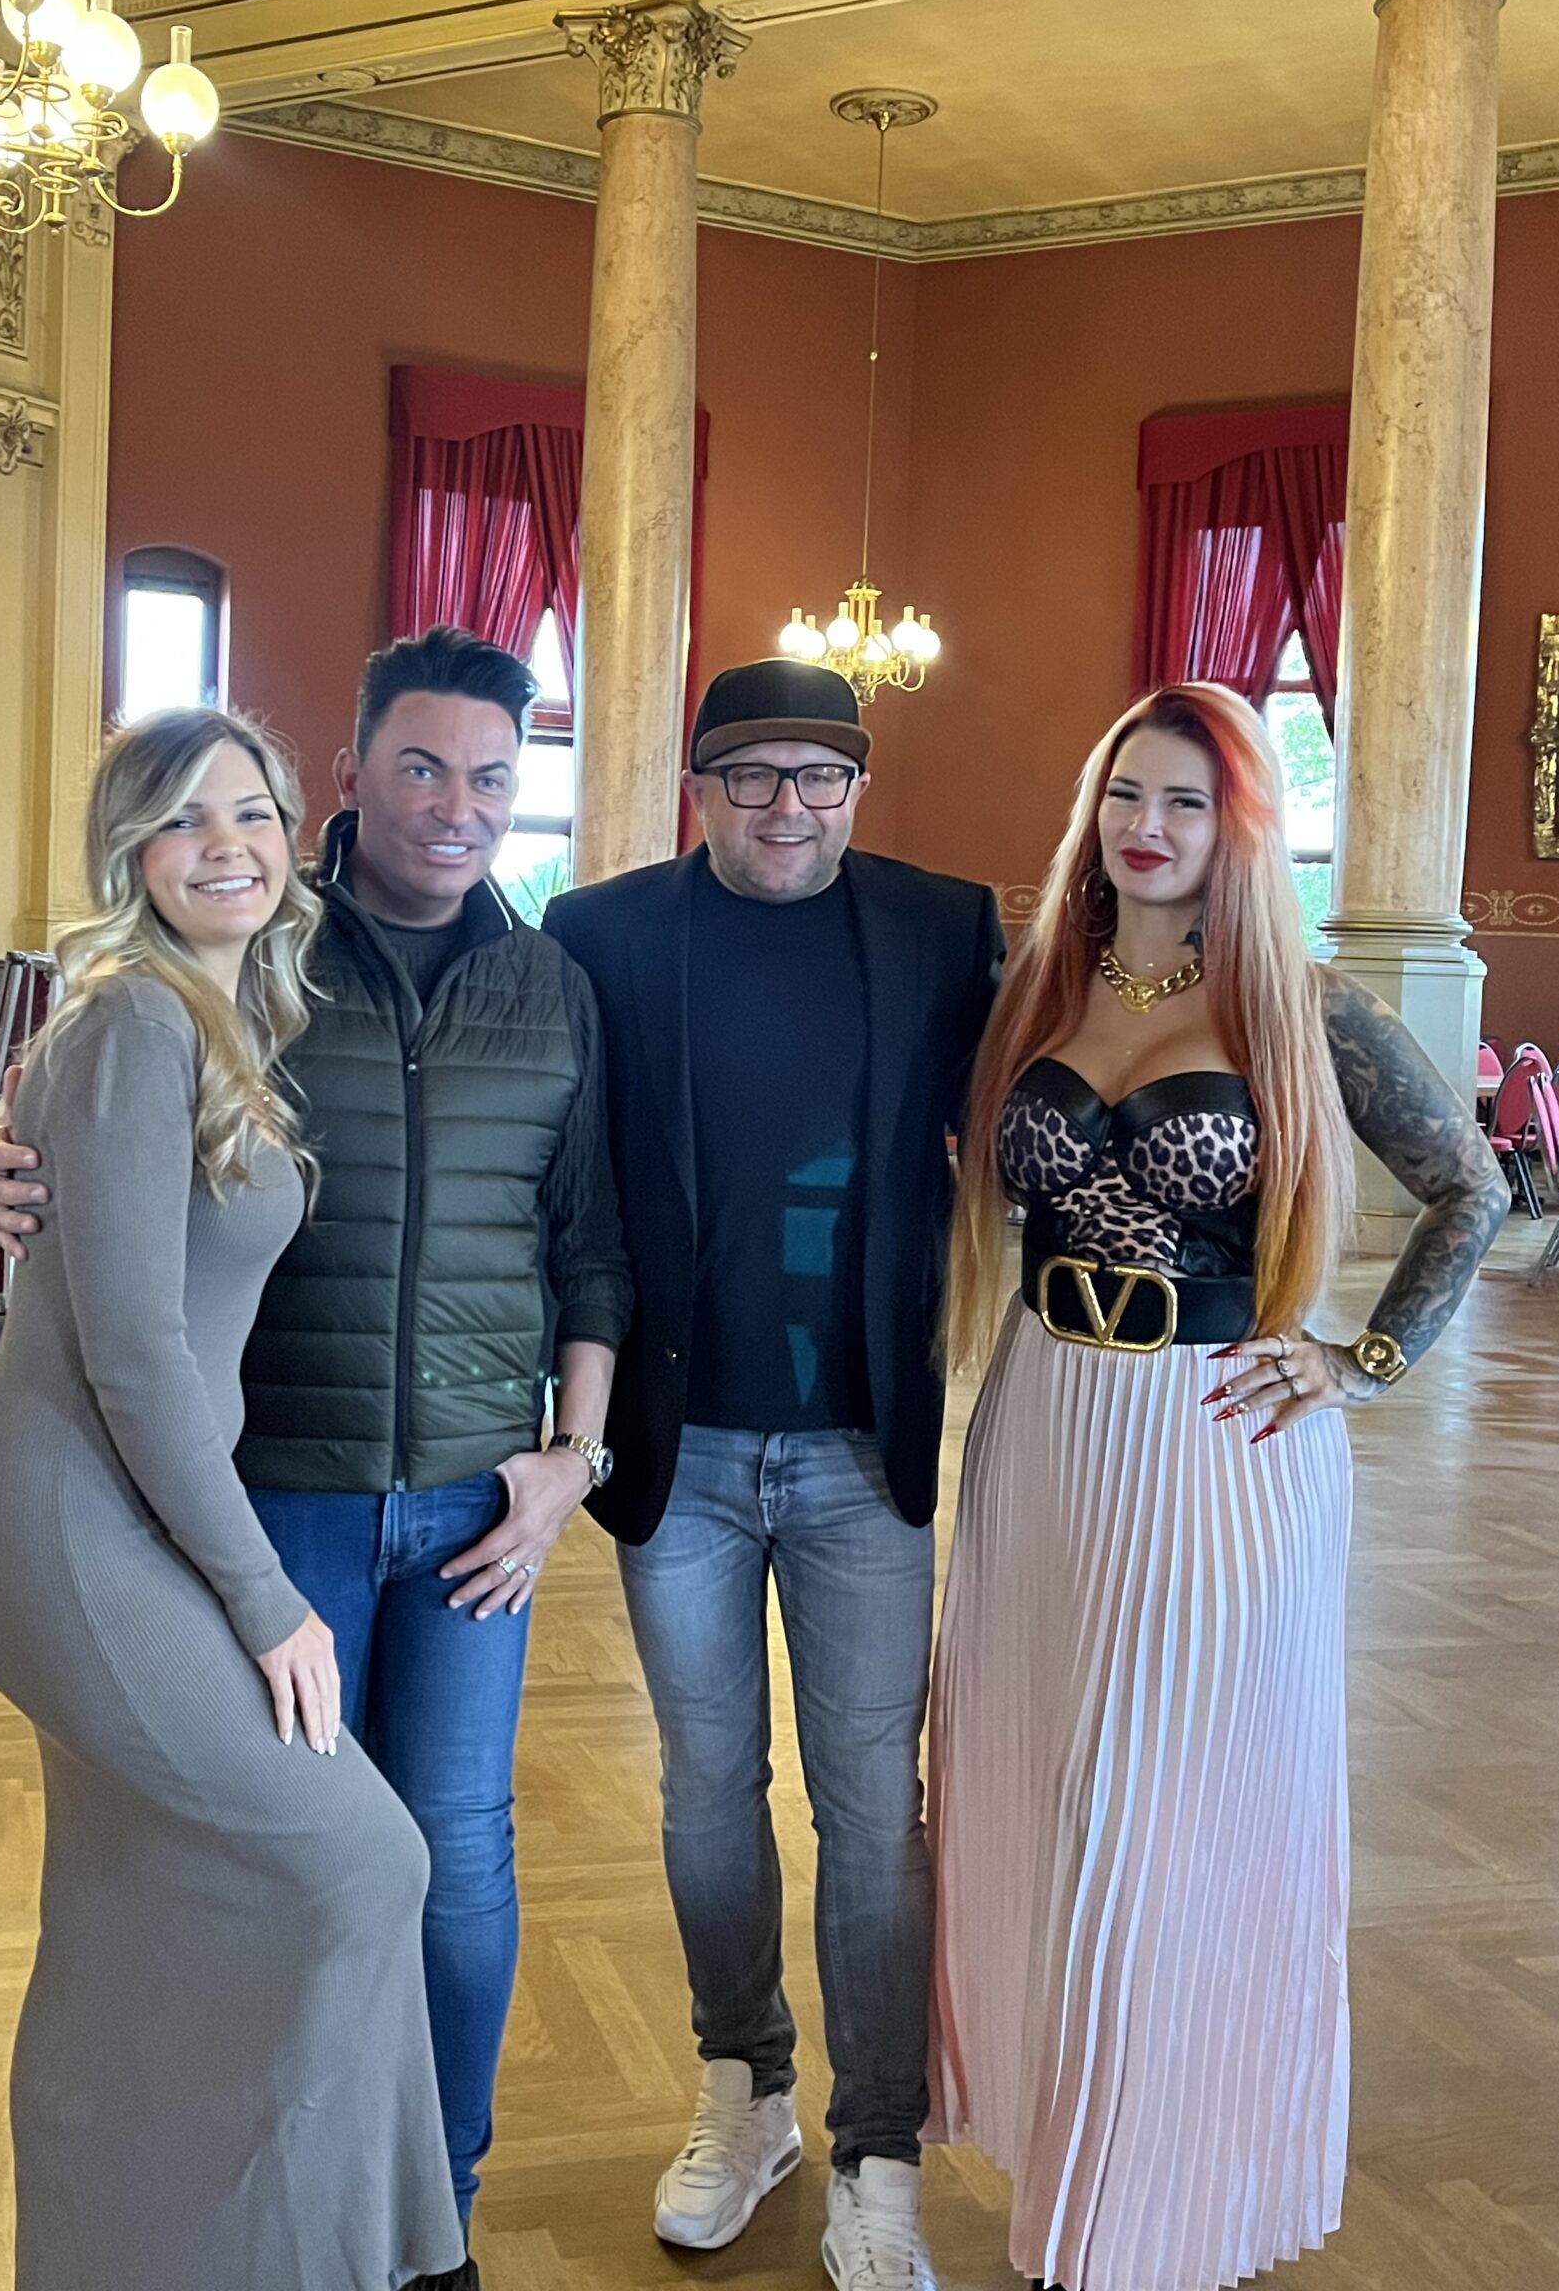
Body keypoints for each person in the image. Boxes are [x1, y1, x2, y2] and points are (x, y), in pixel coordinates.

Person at [0, 630, 633, 2291]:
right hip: (268, 1497)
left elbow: (593, 1243)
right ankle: (252, 2229)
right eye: (420, 766)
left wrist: (575, 1455)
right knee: (282, 1866)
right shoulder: (259, 961)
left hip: (477, 1499)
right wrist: (5, 1152)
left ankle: (427, 2220)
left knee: (448, 1859)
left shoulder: (546, 985)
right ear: (350, 775)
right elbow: (101, 1149)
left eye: (492, 778)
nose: (457, 805)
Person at [928, 681, 1510, 2291]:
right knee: (1046, 1805)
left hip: (1217, 1440)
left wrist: (1360, 1362)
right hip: (1043, 1424)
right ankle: (1074, 2165)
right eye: (1127, 792)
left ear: (1239, 826)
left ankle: (1135, 2214)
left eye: (1187, 800)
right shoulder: (1035, 988)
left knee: (1161, 1828)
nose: (1149, 826)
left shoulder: (1305, 1005)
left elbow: (1470, 1184)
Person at [0, 707, 464, 2291]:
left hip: (129, 1511)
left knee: (135, 1912)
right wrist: (265, 1598)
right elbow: (136, 1357)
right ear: (131, 855)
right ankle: (355, 2257)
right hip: (72, 1524)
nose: (223, 844)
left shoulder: (223, 1016)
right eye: (180, 819)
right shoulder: (136, 1021)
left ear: (294, 831)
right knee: (364, 1861)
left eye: (248, 811)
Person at [545, 660, 1004, 2291]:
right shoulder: (599, 935)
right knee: (706, 1791)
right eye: (751, 777)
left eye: (820, 776)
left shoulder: (944, 928)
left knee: (875, 1807)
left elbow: (1056, 1106)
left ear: (859, 786)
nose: (787, 807)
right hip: (677, 1449)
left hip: (861, 1450)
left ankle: (879, 2143)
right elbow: (519, 1131)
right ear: (700, 788)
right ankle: (746, 2088)